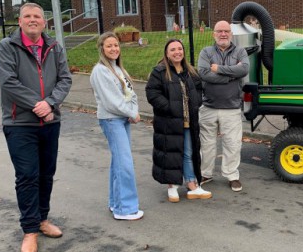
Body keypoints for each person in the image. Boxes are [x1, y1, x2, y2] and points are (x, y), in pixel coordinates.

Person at [0, 2, 72, 252]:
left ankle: (42, 219)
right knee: (27, 175)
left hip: (50, 122)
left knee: (46, 174)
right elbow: (8, 82)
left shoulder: (54, 47)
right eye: (27, 16)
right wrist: (37, 105)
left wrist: (50, 103)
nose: (32, 20)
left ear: (44, 21)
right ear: (20, 21)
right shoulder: (7, 47)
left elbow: (65, 79)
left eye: (37, 16)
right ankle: (29, 231)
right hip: (20, 124)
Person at [146, 39, 211, 202]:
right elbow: (152, 93)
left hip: (189, 121)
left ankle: (191, 184)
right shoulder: (159, 71)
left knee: (188, 153)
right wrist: (169, 108)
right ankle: (172, 186)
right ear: (167, 53)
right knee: (170, 154)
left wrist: (196, 103)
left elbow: (199, 89)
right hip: (168, 122)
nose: (177, 52)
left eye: (180, 49)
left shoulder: (191, 71)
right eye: (173, 49)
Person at [90, 32, 144, 221]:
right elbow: (111, 101)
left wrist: (133, 111)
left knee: (119, 162)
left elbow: (130, 94)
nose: (114, 49)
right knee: (125, 164)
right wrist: (131, 113)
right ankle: (126, 209)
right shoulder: (100, 71)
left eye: (116, 45)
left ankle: (116, 203)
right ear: (102, 49)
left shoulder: (118, 69)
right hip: (112, 120)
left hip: (122, 119)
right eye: (109, 46)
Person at [197, 20, 249, 192]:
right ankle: (206, 173)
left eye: (226, 31)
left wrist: (219, 69)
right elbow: (204, 74)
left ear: (231, 33)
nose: (223, 34)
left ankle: (232, 175)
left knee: (232, 144)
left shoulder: (240, 51)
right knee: (207, 144)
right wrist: (230, 75)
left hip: (232, 107)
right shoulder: (206, 52)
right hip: (208, 107)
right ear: (214, 34)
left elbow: (244, 70)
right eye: (219, 31)